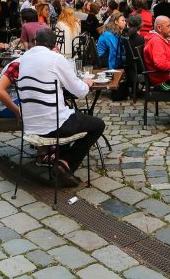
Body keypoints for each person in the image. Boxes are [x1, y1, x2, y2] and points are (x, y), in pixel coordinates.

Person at [16, 27, 104, 187]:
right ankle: (65, 164)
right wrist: (87, 83)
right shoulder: (55, 59)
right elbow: (79, 91)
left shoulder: (24, 58)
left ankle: (62, 162)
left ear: (35, 42)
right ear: (55, 44)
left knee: (69, 115)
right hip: (52, 125)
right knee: (97, 124)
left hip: (30, 125)